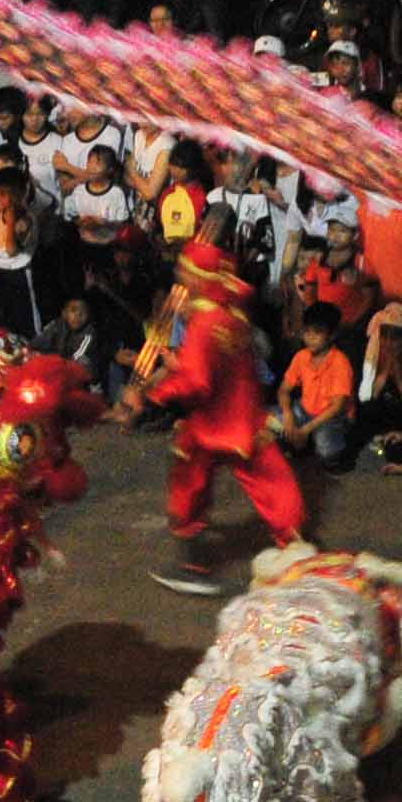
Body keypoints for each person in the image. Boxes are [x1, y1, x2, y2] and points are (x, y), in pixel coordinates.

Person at [138, 238, 305, 595]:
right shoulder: (232, 311)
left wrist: (155, 394)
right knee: (274, 485)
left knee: (187, 489)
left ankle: (195, 566)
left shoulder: (203, 322)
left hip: (210, 425)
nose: (180, 275)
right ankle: (296, 551)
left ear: (199, 276)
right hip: (245, 419)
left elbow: (197, 382)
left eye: (186, 270)